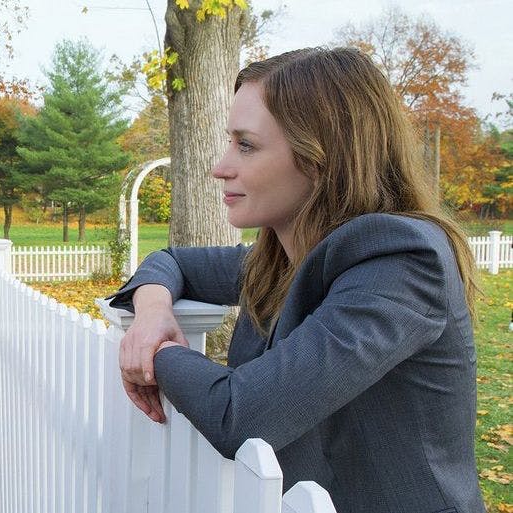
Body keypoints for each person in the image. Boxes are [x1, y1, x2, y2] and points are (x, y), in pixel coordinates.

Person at [110, 47, 486, 513]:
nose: (221, 166)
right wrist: (151, 314)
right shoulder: (284, 257)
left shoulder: (401, 262)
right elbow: (172, 262)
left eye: (246, 145)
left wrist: (157, 355)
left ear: (320, 157)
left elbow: (241, 414)